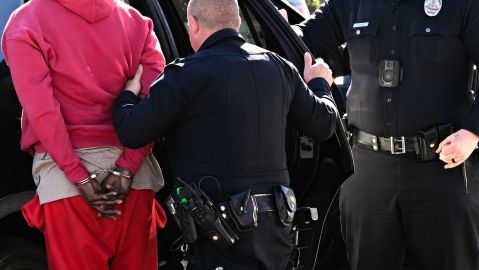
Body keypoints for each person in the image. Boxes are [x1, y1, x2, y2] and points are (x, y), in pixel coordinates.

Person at [113, 0, 338, 269]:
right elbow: (324, 124)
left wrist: (127, 95)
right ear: (238, 22)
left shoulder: (184, 75)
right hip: (275, 235)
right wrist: (320, 83)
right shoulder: (279, 67)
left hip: (218, 240)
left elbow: (131, 131)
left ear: (193, 24)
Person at [291, 0, 479, 269]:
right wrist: (278, 30)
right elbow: (303, 40)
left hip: (441, 170)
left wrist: (473, 133)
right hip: (368, 174)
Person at [2, 0, 167, 269]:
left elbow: (44, 112)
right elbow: (157, 107)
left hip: (66, 183)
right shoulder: (137, 22)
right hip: (133, 181)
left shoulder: (26, 21)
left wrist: (78, 175)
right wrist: (127, 168)